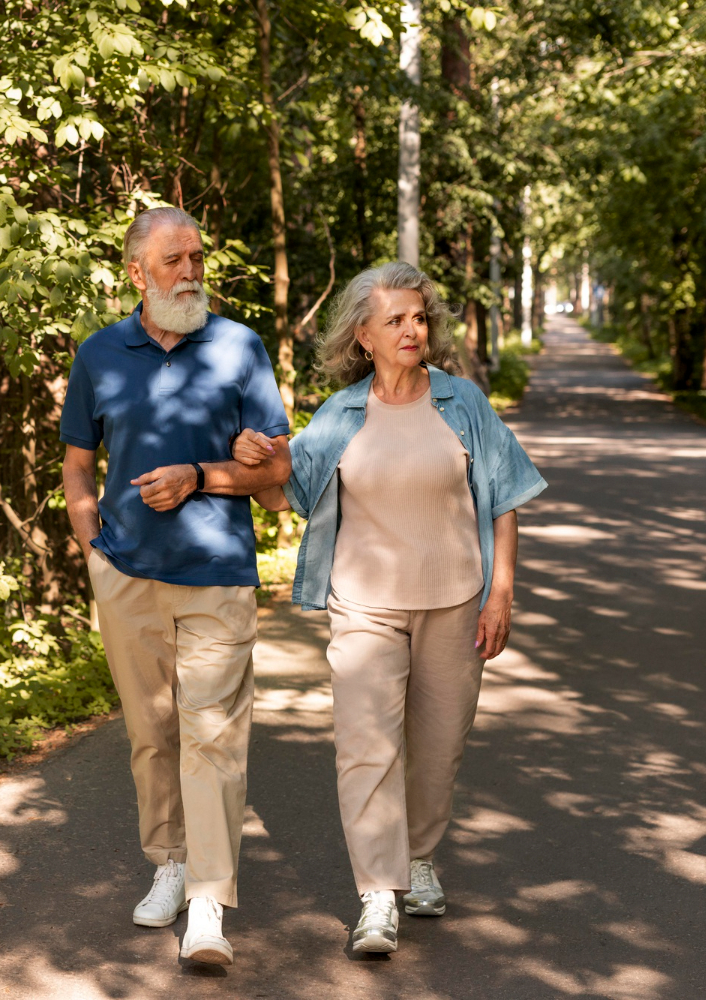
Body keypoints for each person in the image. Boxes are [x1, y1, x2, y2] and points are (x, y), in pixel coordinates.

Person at [233, 261, 546, 954]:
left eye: (419, 317)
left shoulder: (462, 402)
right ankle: (377, 893)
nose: (413, 329)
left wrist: (501, 594)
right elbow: (283, 492)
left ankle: (419, 858)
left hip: (456, 602)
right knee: (366, 748)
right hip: (365, 607)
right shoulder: (341, 414)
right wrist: (254, 458)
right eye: (396, 320)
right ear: (363, 336)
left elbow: (505, 501)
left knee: (439, 748)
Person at [59, 206, 292, 966]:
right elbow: (77, 462)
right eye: (174, 261)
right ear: (137, 273)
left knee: (213, 737)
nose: (191, 272)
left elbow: (278, 474)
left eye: (197, 258)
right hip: (125, 576)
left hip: (216, 575)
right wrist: (92, 543)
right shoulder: (99, 353)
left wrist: (203, 476)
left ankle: (207, 904)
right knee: (151, 735)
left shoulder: (239, 348)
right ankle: (169, 862)